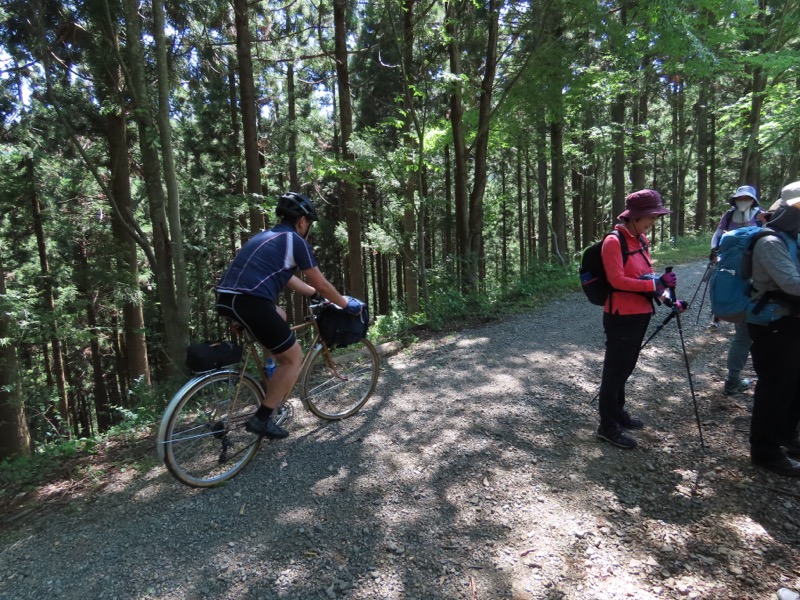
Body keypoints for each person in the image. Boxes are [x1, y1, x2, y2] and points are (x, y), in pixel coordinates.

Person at [215, 192, 365, 439]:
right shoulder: (295, 240)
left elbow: (288, 276)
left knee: (280, 314)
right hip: (250, 301)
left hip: (228, 299)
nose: (309, 228)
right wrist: (344, 304)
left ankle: (271, 368)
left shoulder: (267, 237)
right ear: (303, 220)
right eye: (310, 224)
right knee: (294, 357)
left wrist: (314, 295)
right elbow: (322, 282)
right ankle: (262, 419)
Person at [596, 189, 687, 449]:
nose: (653, 222)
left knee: (626, 368)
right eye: (650, 216)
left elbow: (648, 277)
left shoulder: (641, 239)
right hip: (621, 316)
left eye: (655, 217)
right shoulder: (614, 242)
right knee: (614, 372)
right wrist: (655, 285)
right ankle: (607, 426)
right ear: (634, 217)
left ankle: (618, 412)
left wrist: (669, 298)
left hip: (641, 313)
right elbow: (617, 281)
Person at [745, 180, 800, 477]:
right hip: (771, 324)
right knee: (774, 388)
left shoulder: (793, 237)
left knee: (793, 385)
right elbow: (791, 283)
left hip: (790, 322)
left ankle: (787, 436)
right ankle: (765, 450)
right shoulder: (770, 242)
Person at [710, 185, 764, 396]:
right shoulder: (730, 215)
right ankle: (738, 379)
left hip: (746, 271)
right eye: (740, 197)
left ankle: (734, 378)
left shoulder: (760, 215)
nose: (743, 200)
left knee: (744, 333)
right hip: (743, 273)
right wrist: (714, 251)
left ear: (753, 200)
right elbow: (717, 234)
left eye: (746, 198)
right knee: (746, 333)